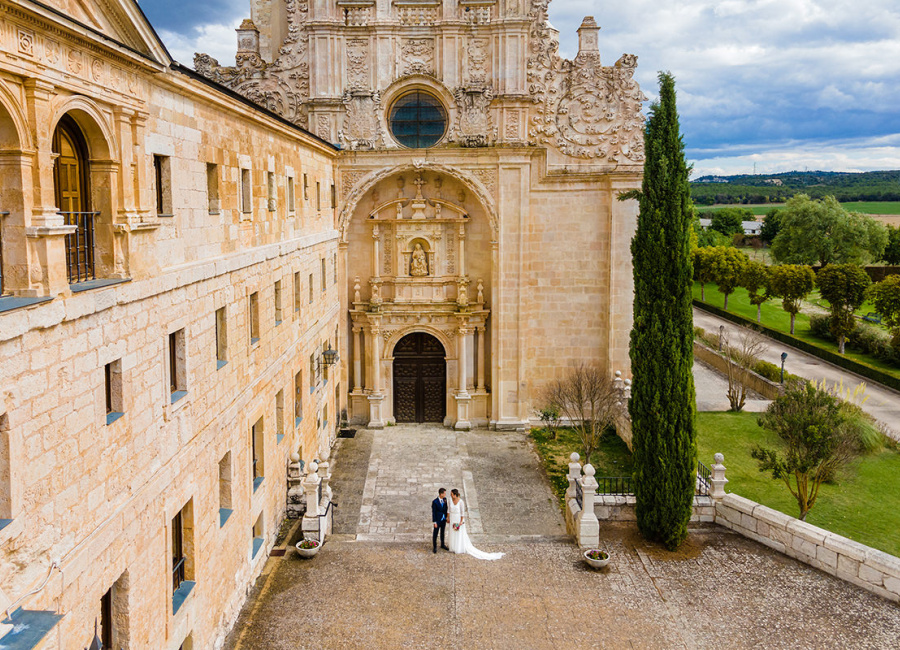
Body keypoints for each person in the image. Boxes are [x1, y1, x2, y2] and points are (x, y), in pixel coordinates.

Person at [446, 488, 503, 560]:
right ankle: (453, 546)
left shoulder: (461, 502)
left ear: (455, 495)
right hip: (452, 519)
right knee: (452, 532)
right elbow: (448, 510)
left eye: (452, 494)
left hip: (457, 519)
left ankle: (458, 547)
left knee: (458, 533)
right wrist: (447, 518)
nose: (451, 495)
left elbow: (462, 513)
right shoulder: (450, 500)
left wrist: (461, 521)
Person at [432, 488, 449, 553]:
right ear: (441, 494)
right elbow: (434, 512)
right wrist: (435, 522)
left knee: (442, 532)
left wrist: (447, 517)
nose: (445, 494)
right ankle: (435, 546)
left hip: (443, 519)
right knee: (435, 533)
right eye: (444, 493)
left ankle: (442, 544)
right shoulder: (435, 502)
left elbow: (446, 508)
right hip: (438, 520)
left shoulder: (445, 500)